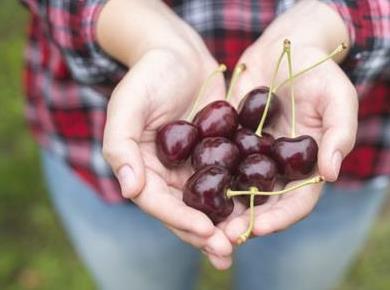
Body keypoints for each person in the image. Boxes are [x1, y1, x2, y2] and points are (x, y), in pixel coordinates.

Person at [21, 0, 389, 289]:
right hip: (94, 148)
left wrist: (330, 22)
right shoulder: (227, 149)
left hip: (349, 160)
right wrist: (140, 33)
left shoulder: (255, 144)